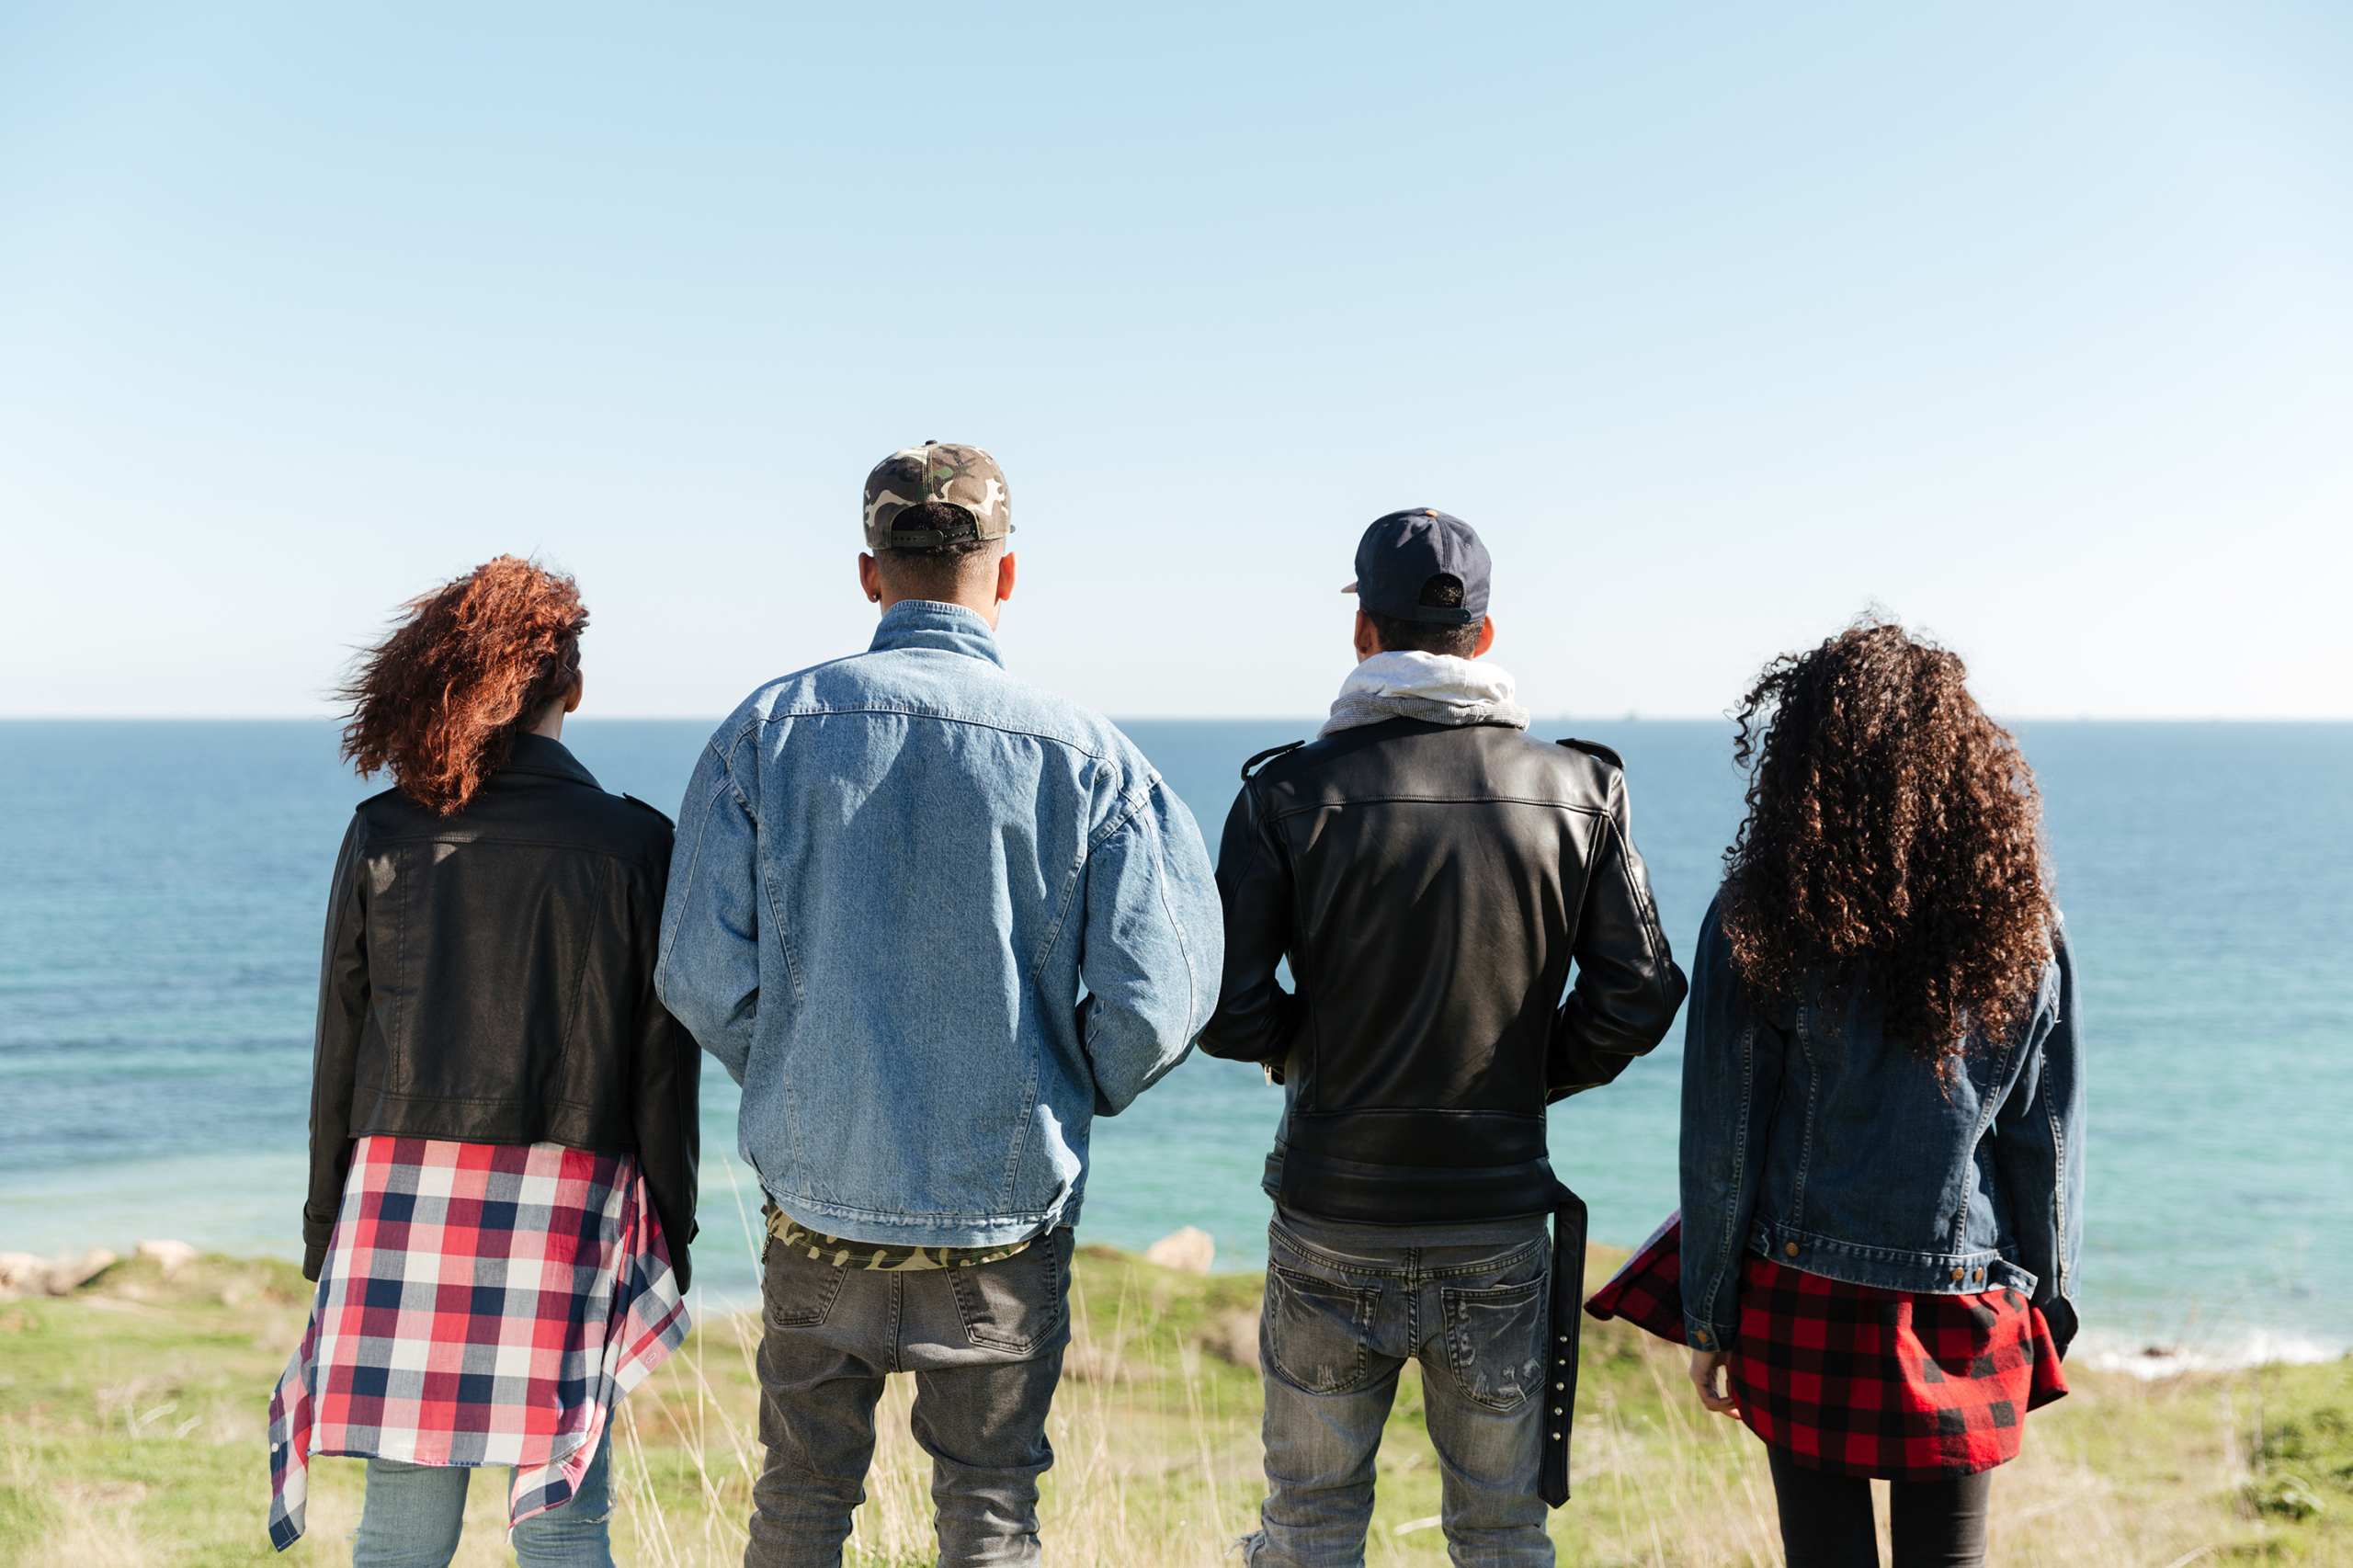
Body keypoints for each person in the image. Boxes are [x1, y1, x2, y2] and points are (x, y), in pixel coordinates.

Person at [655, 442, 1222, 1568]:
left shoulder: (765, 732)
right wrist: (1063, 1085)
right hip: (1002, 1222)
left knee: (800, 1502)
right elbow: (1157, 1003)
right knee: (990, 1510)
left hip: (818, 1217)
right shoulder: (1092, 757)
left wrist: (801, 1071)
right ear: (1006, 576)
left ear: (870, 573)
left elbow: (696, 972)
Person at [1199, 508, 1689, 1568]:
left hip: (1334, 1208)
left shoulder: (1284, 793)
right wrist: (1520, 1079)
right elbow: (1639, 994)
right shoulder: (1580, 788)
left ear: (1362, 634)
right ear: (1487, 631)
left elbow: (1228, 1007)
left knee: (1309, 1525)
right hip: (1497, 1215)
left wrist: (1314, 1055)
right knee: (1503, 1533)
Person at [267, 556, 699, 1565]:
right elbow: (658, 1065)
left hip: (401, 1196)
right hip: (569, 1194)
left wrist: (326, 1219)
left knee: (402, 1519)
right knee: (563, 1514)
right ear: (572, 690)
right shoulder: (636, 842)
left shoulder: (383, 829)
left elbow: (342, 1042)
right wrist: (671, 1226)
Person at [1677, 619, 2083, 1568]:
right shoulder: (2025, 924)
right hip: (1965, 1299)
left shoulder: (1756, 915)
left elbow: (1722, 1140)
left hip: (1797, 1289)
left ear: (1801, 764)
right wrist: (2048, 1307)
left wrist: (1708, 1314)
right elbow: (2042, 1139)